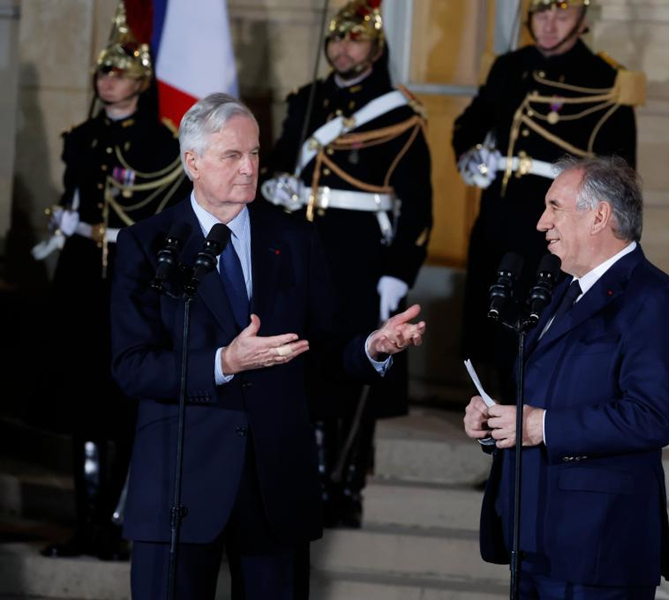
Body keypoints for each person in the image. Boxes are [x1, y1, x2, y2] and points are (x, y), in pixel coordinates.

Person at [110, 93, 426, 599]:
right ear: (192, 162)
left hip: (275, 483)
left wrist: (372, 346)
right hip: (182, 481)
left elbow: (320, 350)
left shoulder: (294, 239)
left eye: (255, 154)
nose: (248, 168)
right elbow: (132, 367)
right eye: (232, 156)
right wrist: (222, 363)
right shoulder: (148, 244)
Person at [464, 156, 669, 599]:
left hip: (597, 547)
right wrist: (497, 422)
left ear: (599, 217)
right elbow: (545, 396)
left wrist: (538, 425)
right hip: (533, 536)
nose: (540, 223)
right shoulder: (561, 291)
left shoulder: (652, 298)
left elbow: (650, 417)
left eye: (554, 207)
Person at [263, 0, 432, 528]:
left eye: (355, 39)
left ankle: (347, 484)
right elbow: (281, 161)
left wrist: (397, 273)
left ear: (375, 48)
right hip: (303, 249)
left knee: (357, 367)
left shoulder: (398, 113)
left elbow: (419, 207)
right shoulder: (308, 100)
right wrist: (272, 182)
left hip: (361, 257)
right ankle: (311, 478)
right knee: (306, 363)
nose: (342, 48)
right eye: (336, 39)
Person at [36, 1, 188, 561]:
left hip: (131, 282)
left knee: (122, 406)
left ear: (142, 78)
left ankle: (119, 525)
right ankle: (86, 523)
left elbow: (165, 220)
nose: (107, 79)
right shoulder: (81, 137)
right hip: (81, 281)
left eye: (119, 70)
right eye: (103, 69)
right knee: (82, 403)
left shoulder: (160, 142)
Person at [453, 0, 640, 392]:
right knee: (492, 322)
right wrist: (471, 153)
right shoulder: (509, 67)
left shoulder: (604, 78)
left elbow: (620, 172)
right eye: (541, 13)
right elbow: (470, 123)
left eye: (561, 14)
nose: (550, 24)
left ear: (582, 20)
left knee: (542, 329)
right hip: (500, 215)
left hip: (558, 225)